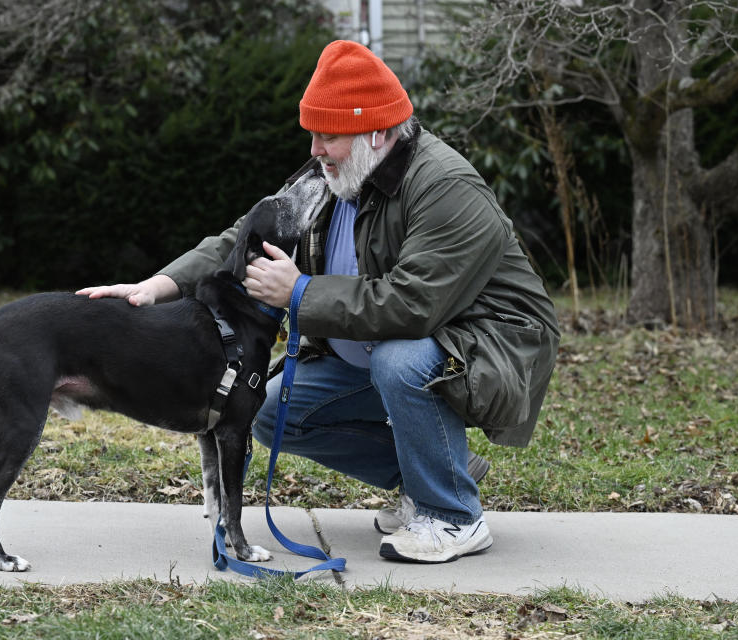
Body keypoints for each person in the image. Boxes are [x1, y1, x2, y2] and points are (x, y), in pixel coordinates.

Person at [78, 40, 559, 563]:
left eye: (327, 136)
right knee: (270, 409)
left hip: (492, 342)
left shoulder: (446, 187)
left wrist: (299, 293)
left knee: (403, 359)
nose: (314, 150)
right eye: (312, 135)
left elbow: (415, 305)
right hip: (375, 343)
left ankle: (453, 517)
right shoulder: (333, 174)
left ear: (377, 132)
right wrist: (158, 286)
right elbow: (241, 236)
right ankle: (430, 478)